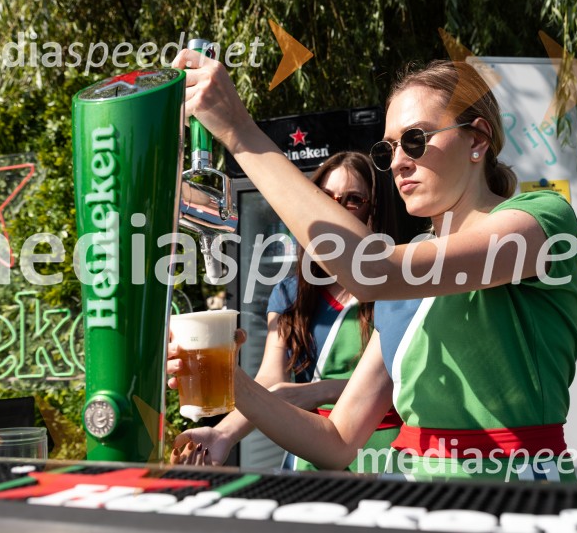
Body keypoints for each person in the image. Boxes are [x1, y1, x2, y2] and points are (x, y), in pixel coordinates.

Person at [169, 54, 577, 481]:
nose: (400, 161)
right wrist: (231, 380)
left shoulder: (542, 217)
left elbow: (374, 270)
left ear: (477, 140)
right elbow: (335, 442)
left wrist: (240, 133)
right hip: (417, 502)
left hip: (521, 500)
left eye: (416, 140)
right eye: (390, 148)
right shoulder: (407, 271)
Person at [169, 152, 402, 472]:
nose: (335, 207)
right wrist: (222, 433)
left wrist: (322, 390)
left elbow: (407, 381)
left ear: (375, 210)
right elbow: (271, 382)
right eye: (324, 197)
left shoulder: (400, 287)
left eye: (353, 199)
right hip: (307, 449)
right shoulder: (290, 293)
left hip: (383, 454)